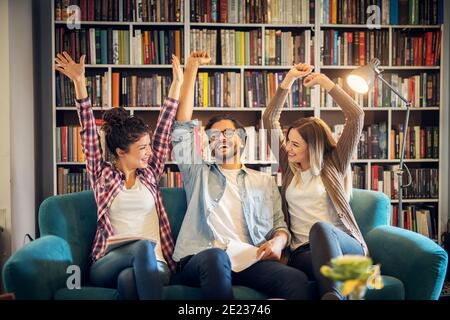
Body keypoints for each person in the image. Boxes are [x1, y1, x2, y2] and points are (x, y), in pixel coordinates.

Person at [170, 52, 309, 300]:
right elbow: (182, 127)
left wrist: (278, 243)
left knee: (296, 280)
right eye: (213, 135)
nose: (220, 138)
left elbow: (280, 225)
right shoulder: (197, 172)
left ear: (242, 139)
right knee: (216, 257)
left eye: (227, 133)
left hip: (248, 258)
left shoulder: (264, 181)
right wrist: (191, 69)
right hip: (203, 257)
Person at [54, 51, 183, 299]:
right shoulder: (103, 177)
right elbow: (89, 134)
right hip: (108, 262)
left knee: (129, 278)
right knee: (142, 246)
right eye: (143, 148)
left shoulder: (150, 174)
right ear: (121, 151)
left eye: (149, 146)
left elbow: (165, 129)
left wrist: (176, 84)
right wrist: (79, 83)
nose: (150, 152)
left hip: (156, 264)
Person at [263, 63, 368, 300]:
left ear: (313, 147)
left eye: (295, 144)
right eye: (288, 141)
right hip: (303, 252)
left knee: (320, 228)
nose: (287, 148)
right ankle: (335, 293)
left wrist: (324, 82)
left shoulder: (334, 163)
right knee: (315, 245)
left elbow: (356, 116)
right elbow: (270, 118)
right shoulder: (290, 167)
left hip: (345, 246)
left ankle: (332, 294)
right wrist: (288, 79)